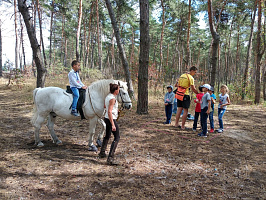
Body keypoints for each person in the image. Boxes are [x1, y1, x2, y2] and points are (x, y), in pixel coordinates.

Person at [99, 83, 121, 165]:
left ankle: (102, 152)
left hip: (106, 118)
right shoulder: (112, 99)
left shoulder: (108, 96)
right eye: (118, 89)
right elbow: (109, 111)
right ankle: (110, 158)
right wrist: (113, 124)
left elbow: (105, 106)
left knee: (107, 135)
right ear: (115, 90)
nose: (118, 91)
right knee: (117, 137)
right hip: (111, 119)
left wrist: (115, 109)